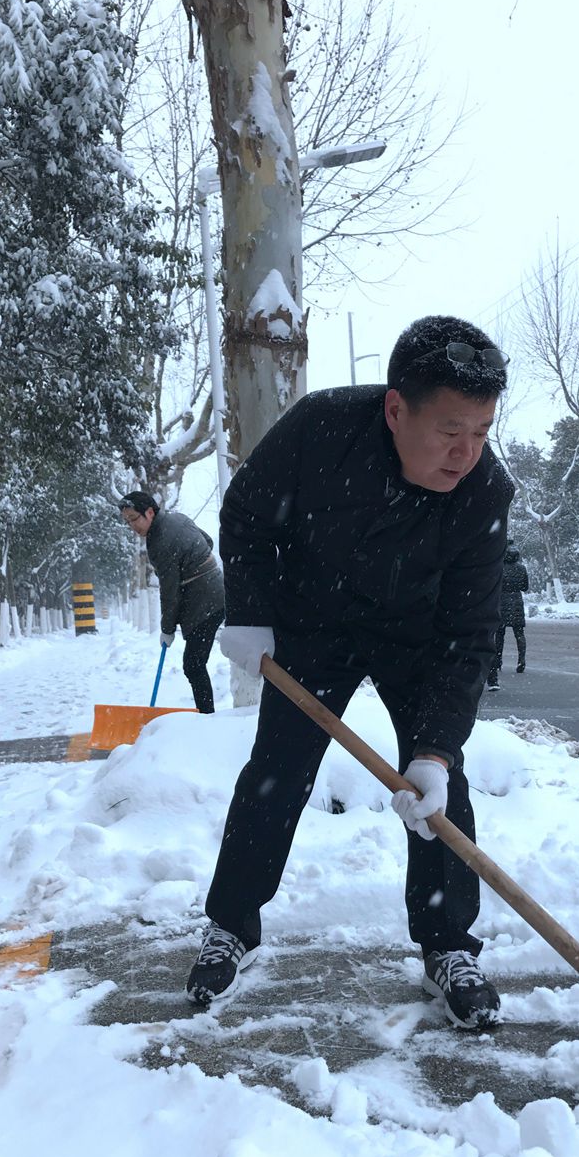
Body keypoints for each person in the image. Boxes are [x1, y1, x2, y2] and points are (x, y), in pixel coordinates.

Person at [186, 315, 514, 1029]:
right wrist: (251, 614)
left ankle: (449, 945)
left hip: (418, 639)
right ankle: (231, 924)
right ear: (396, 408)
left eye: (483, 430)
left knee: (439, 793)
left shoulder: (484, 491)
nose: (466, 452)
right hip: (317, 624)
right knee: (276, 771)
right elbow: (245, 514)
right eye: (451, 429)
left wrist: (434, 749)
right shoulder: (320, 430)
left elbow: (469, 635)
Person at [119, 491, 226, 712]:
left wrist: (167, 629)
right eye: (127, 521)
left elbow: (170, 592)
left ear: (149, 512)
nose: (132, 526)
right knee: (195, 663)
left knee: (193, 665)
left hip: (204, 602)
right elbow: (207, 540)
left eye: (134, 519)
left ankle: (208, 719)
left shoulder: (159, 542)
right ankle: (207, 716)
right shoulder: (177, 518)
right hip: (217, 591)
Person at [487, 541, 530, 689]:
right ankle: (521, 661)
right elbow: (525, 587)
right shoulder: (521, 568)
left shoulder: (499, 569)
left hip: (501, 602)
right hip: (517, 602)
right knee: (519, 633)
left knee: (500, 634)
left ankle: (498, 662)